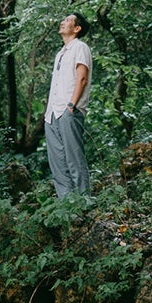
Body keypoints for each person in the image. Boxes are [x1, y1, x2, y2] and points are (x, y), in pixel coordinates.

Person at [44, 12, 92, 197]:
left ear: (77, 28)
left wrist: (71, 106)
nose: (63, 22)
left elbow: (82, 79)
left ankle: (84, 199)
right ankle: (68, 205)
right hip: (52, 114)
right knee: (57, 161)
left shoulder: (80, 47)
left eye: (68, 20)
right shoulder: (60, 54)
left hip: (69, 110)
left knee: (74, 157)